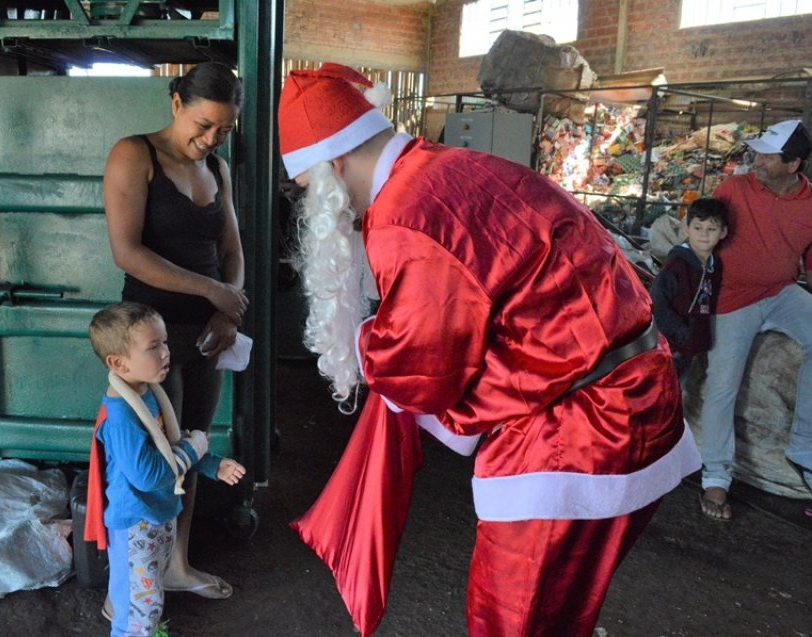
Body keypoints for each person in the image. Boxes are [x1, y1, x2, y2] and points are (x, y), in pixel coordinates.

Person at [278, 63, 700, 637]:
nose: (312, 210)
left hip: (578, 433)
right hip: (636, 395)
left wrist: (361, 341)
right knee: (562, 604)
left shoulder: (405, 216)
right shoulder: (454, 166)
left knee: (513, 617)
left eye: (307, 192)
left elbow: (419, 364)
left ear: (333, 165)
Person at [103, 61, 248, 600]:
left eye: (224, 131)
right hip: (148, 340)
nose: (210, 139)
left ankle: (176, 565)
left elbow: (231, 251)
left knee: (192, 446)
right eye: (203, 125)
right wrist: (214, 293)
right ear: (175, 103)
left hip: (208, 335)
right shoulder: (133, 155)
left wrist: (228, 312)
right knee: (149, 463)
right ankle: (126, 581)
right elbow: (127, 252)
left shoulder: (220, 169)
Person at [84, 302, 246, 637]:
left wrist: (213, 464)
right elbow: (151, 474)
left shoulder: (147, 392)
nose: (165, 353)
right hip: (135, 527)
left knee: (148, 601)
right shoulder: (122, 418)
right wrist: (195, 447)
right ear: (118, 362)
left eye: (165, 342)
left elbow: (172, 445)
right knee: (137, 615)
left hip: (156, 518)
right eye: (153, 347)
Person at [697, 119, 812, 522]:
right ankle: (716, 476)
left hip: (781, 292)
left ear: (793, 164)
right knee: (721, 386)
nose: (756, 161)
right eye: (757, 153)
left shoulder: (811, 203)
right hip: (733, 297)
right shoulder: (734, 189)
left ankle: (804, 451)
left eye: (767, 155)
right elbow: (703, 234)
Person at [650, 198, 728, 379]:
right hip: (668, 347)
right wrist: (682, 333)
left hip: (690, 349)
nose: (704, 234)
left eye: (712, 229)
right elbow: (657, 304)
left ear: (723, 232)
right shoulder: (676, 266)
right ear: (686, 229)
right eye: (698, 228)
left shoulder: (714, 267)